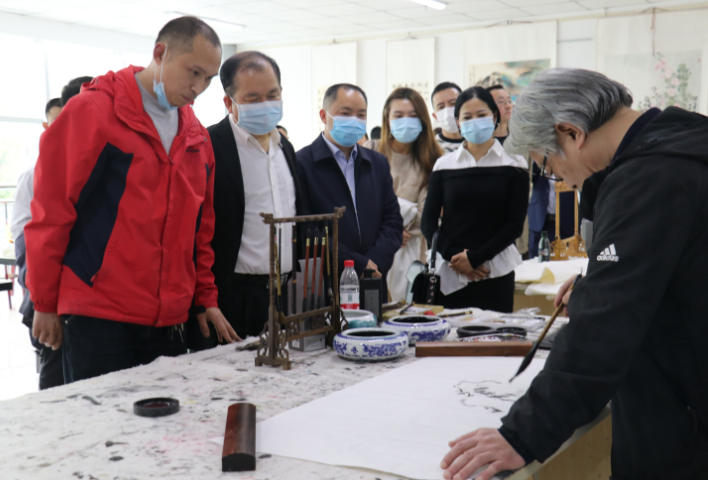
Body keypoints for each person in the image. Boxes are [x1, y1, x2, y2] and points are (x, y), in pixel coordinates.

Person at [440, 69, 708, 480]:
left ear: (570, 132)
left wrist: (522, 434)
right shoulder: (684, 148)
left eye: (548, 166)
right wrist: (597, 282)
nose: (562, 180)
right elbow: (675, 269)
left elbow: (605, 325)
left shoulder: (650, 178)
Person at [25, 16, 238, 384]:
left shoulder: (196, 136)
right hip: (100, 317)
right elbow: (51, 212)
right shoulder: (95, 112)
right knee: (99, 418)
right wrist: (44, 302)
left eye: (208, 78)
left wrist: (205, 296)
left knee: (167, 419)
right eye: (193, 72)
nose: (198, 87)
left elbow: (199, 231)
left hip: (169, 321)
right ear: (160, 53)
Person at [196, 51, 302, 343]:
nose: (265, 105)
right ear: (229, 102)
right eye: (253, 98)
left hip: (285, 294)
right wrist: (203, 299)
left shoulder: (286, 149)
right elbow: (193, 231)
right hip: (231, 298)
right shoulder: (208, 146)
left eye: (273, 95)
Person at [420, 87, 528, 312]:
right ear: (458, 122)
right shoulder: (444, 165)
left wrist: (477, 258)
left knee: (496, 331)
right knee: (449, 332)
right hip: (451, 271)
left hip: (495, 271)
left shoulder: (515, 163)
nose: (474, 121)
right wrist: (456, 258)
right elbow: (428, 223)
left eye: (481, 115)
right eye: (467, 117)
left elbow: (515, 225)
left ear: (494, 116)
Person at [296, 83, 402, 300]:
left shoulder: (377, 163)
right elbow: (306, 228)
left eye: (361, 115)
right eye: (345, 113)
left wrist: (373, 264)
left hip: (373, 280)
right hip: (326, 284)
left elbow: (392, 221)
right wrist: (356, 265)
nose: (354, 120)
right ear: (324, 115)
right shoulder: (302, 163)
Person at [11, 95, 69, 390]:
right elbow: (24, 240)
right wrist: (41, 297)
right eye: (59, 121)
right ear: (47, 126)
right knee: (55, 365)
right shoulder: (33, 174)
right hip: (47, 289)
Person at [364, 87, 442, 302]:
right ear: (387, 119)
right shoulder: (371, 150)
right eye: (398, 115)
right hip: (374, 245)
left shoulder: (433, 158)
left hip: (413, 248)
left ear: (423, 120)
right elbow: (362, 200)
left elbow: (429, 210)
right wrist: (392, 229)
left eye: (413, 116)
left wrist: (403, 228)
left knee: (407, 308)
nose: (405, 121)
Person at [431, 82, 463, 153]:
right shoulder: (430, 148)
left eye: (453, 103)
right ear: (435, 116)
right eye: (441, 107)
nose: (447, 111)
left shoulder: (479, 143)